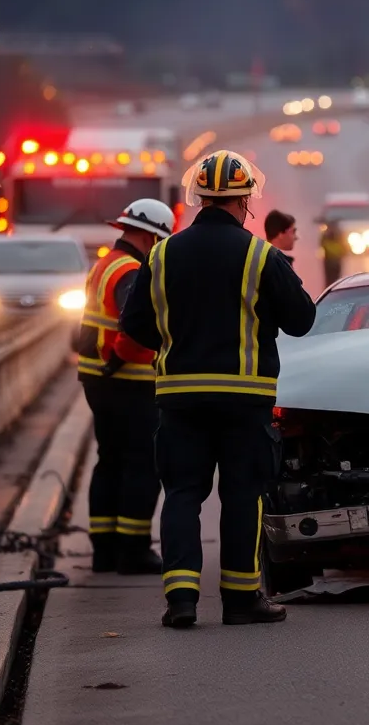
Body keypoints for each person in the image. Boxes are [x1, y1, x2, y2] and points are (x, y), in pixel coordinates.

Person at [120, 149, 317, 628]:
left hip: (179, 397)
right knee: (243, 493)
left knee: (182, 493)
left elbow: (135, 326)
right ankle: (241, 599)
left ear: (200, 198)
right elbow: (302, 320)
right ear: (245, 199)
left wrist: (177, 336)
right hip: (243, 399)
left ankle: (182, 599)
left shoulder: (162, 254)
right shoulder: (260, 255)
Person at [76, 198, 174, 576]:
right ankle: (133, 550)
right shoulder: (133, 270)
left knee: (110, 461)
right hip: (128, 381)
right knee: (142, 465)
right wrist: (119, 358)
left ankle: (104, 552)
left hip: (97, 380)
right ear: (152, 237)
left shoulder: (105, 264)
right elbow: (134, 326)